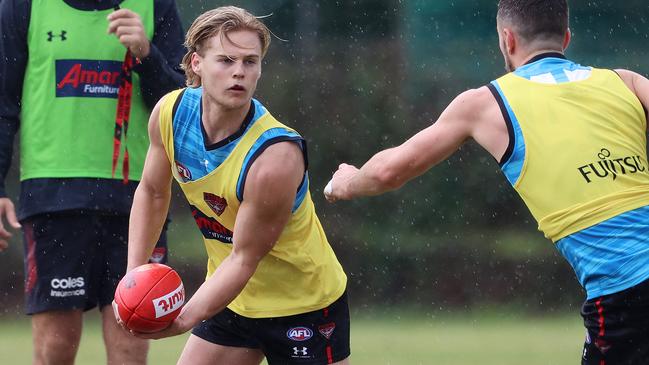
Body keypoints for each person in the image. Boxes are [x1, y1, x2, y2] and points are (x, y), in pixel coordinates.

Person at [324, 0, 649, 364]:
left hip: (627, 295)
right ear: (567, 38)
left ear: (507, 40)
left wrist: (345, 182)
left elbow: (389, 171)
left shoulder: (485, 104)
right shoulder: (626, 82)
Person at [122, 6, 351, 365]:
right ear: (196, 63)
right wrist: (132, 282)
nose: (239, 73)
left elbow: (244, 258)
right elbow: (152, 193)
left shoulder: (275, 156)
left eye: (250, 61)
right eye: (226, 60)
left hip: (302, 304)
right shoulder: (170, 113)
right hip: (230, 297)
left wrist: (184, 318)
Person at [0, 0, 185, 364]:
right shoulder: (23, 6)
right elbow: (3, 104)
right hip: (54, 198)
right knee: (55, 347)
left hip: (137, 200)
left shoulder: (155, 6)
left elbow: (181, 106)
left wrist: (147, 55)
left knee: (131, 344)